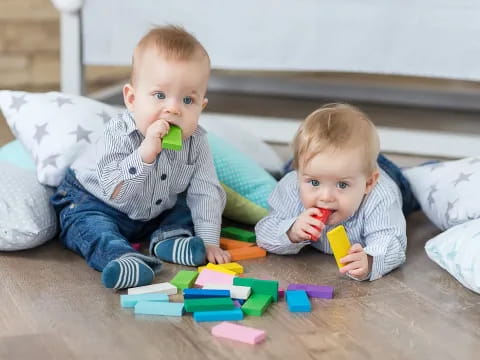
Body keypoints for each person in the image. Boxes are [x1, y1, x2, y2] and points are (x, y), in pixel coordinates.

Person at [51, 25, 229, 290]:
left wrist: (209, 241)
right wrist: (145, 154)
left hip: (152, 210)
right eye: (159, 95)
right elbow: (116, 191)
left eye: (188, 100)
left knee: (187, 207)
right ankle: (122, 258)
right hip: (95, 201)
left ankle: (170, 239)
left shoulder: (197, 142)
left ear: (201, 106)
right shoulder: (118, 133)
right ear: (132, 99)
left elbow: (206, 192)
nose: (173, 109)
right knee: (90, 228)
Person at [255, 103, 418, 281]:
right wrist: (291, 231)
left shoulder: (380, 196)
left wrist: (370, 260)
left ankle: (422, 170)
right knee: (298, 164)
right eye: (315, 182)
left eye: (341, 185)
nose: (325, 197)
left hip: (390, 176)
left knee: (413, 189)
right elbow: (264, 233)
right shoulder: (292, 186)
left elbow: (392, 242)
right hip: (322, 166)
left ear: (368, 183)